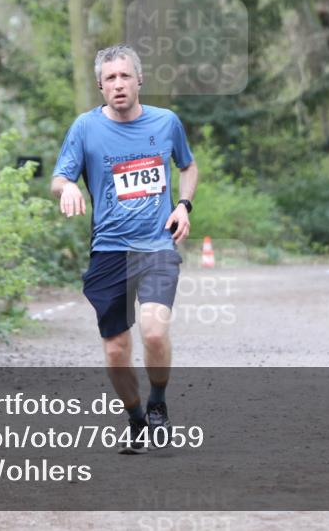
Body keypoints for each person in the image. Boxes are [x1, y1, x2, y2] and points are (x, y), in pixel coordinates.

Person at [51, 44, 198, 455]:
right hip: (109, 250)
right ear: (100, 85)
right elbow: (59, 178)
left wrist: (183, 205)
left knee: (153, 331)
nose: (118, 84)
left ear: (139, 80)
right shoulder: (84, 128)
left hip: (156, 246)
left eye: (125, 76)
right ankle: (134, 418)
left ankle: (158, 404)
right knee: (116, 350)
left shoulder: (166, 122)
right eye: (110, 78)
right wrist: (69, 189)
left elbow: (188, 166)